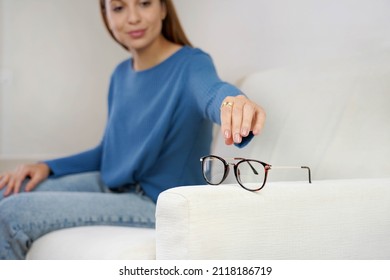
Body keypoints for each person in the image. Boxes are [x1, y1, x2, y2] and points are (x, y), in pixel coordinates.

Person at [0, 0, 265, 259]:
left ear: (163, 8)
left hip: (156, 201)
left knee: (11, 213)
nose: (133, 17)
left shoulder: (191, 64)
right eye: (118, 7)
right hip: (115, 185)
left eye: (145, 3)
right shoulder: (120, 75)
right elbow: (109, 151)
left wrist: (233, 104)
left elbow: (213, 92)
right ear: (106, 16)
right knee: (8, 191)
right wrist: (47, 166)